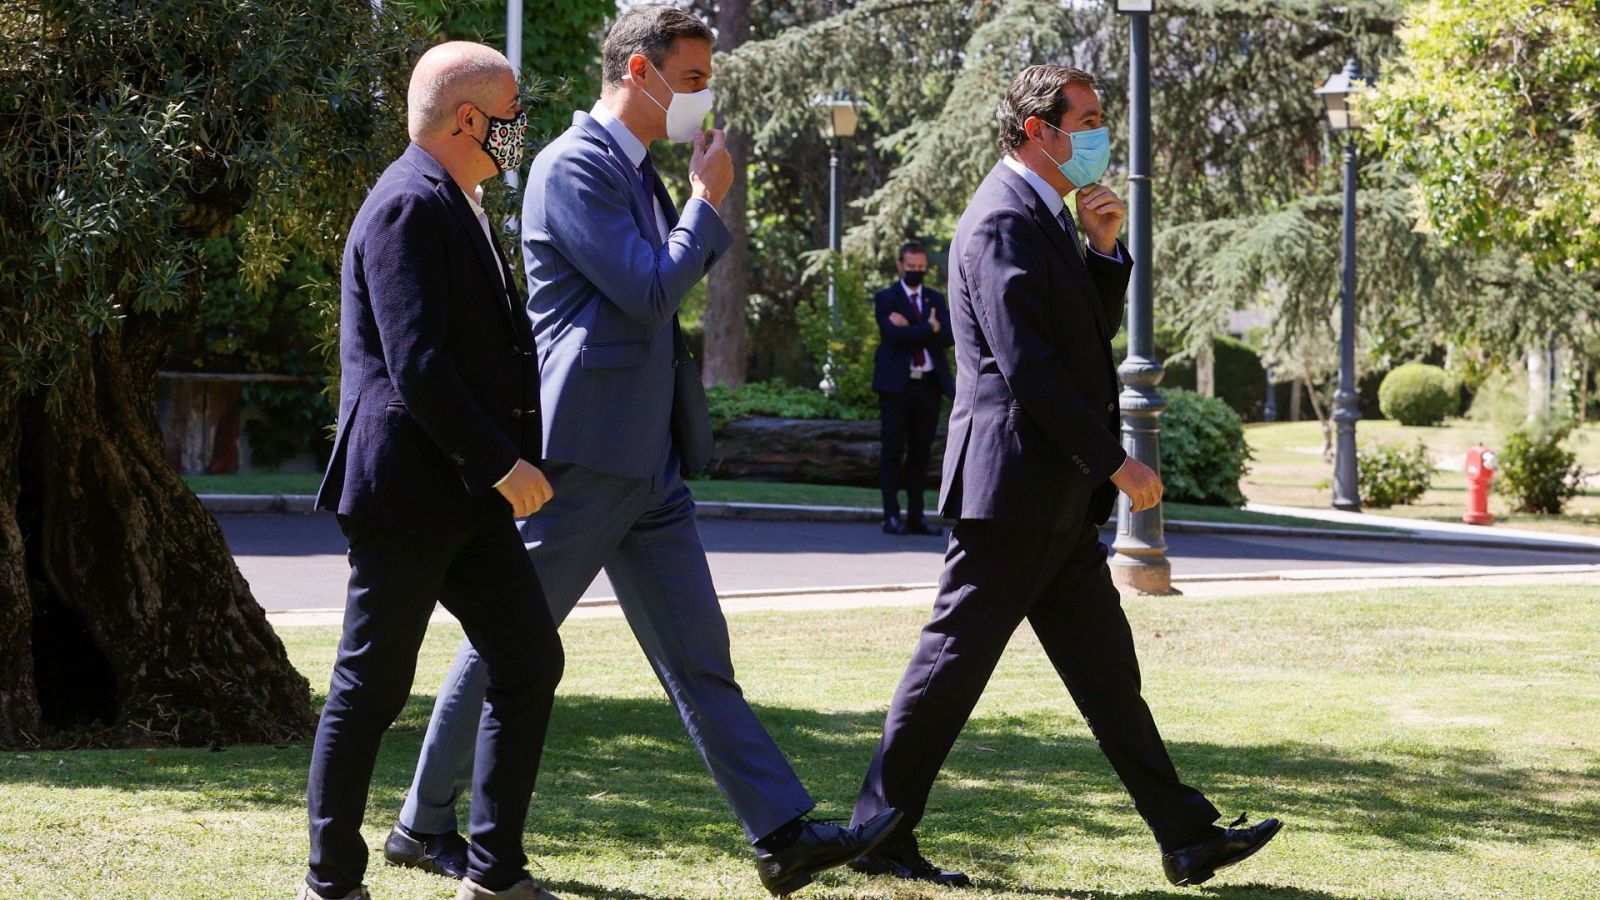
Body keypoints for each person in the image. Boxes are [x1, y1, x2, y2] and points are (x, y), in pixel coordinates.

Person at [382, 6, 901, 897]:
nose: (702, 100)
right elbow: (651, 289)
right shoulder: (570, 166)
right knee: (511, 637)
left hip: (643, 458)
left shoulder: (634, 167)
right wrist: (706, 202)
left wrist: (690, 202)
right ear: (636, 72)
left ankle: (780, 833)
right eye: (692, 81)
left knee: (699, 653)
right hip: (584, 453)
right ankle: (422, 824)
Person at [846, 65, 1283, 889]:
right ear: (1037, 130)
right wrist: (1115, 463)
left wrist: (1104, 252)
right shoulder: (1000, 219)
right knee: (948, 670)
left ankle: (1187, 836)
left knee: (1108, 675)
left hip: (1052, 500)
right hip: (1012, 493)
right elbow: (1030, 370)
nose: (1096, 135)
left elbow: (1078, 332)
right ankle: (877, 836)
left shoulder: (1045, 217)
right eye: (1083, 119)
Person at [303, 42, 565, 900]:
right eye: (512, 113)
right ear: (468, 119)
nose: (520, 129)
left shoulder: (459, 201)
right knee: (370, 688)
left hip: (464, 496)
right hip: (411, 495)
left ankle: (494, 874)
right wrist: (504, 466)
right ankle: (331, 881)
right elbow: (417, 367)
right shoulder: (408, 206)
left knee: (528, 660)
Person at [871, 239, 955, 536]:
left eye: (920, 268)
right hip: (896, 387)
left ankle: (917, 516)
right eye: (911, 267)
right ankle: (891, 516)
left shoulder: (935, 298)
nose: (916, 272)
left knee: (921, 455)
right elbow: (892, 335)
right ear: (900, 266)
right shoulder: (887, 298)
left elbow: (948, 336)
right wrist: (927, 328)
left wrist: (913, 329)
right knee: (892, 451)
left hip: (928, 387)